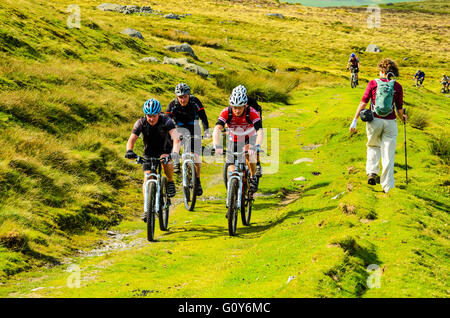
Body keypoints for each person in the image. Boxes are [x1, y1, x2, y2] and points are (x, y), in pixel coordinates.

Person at [349, 58, 407, 193]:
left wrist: (355, 119)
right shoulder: (397, 86)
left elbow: (363, 102)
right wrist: (403, 118)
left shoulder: (373, 83)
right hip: (390, 122)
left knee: (373, 145)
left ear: (381, 71)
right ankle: (387, 185)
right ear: (393, 72)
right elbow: (399, 109)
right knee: (388, 153)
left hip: (374, 120)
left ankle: (372, 173)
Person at [125, 98, 181, 220]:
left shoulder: (166, 120)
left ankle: (170, 181)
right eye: (149, 115)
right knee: (147, 178)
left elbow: (176, 139)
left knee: (165, 162)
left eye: (154, 116)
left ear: (159, 113)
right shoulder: (140, 122)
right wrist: (129, 151)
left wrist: (175, 153)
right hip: (149, 152)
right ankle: (147, 209)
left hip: (165, 149)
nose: (151, 118)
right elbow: (132, 139)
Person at [213, 89, 264, 193]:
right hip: (234, 139)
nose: (237, 110)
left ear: (245, 105)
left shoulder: (251, 112)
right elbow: (217, 129)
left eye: (240, 108)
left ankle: (253, 176)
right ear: (231, 106)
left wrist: (257, 145)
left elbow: (260, 131)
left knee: (249, 153)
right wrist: (216, 145)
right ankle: (234, 189)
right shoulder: (226, 112)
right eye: (235, 108)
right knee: (231, 165)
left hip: (249, 137)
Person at [166, 83, 209, 196]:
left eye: (185, 96)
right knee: (174, 141)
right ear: (177, 97)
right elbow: (166, 120)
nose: (183, 99)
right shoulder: (172, 104)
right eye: (180, 97)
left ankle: (197, 180)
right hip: (178, 127)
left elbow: (203, 117)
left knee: (195, 155)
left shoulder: (195, 102)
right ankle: (176, 162)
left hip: (193, 127)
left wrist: (206, 131)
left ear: (189, 95)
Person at [229, 85, 263, 177]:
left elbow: (257, 117)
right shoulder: (234, 101)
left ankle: (258, 163)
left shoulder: (252, 101)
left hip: (253, 120)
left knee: (254, 143)